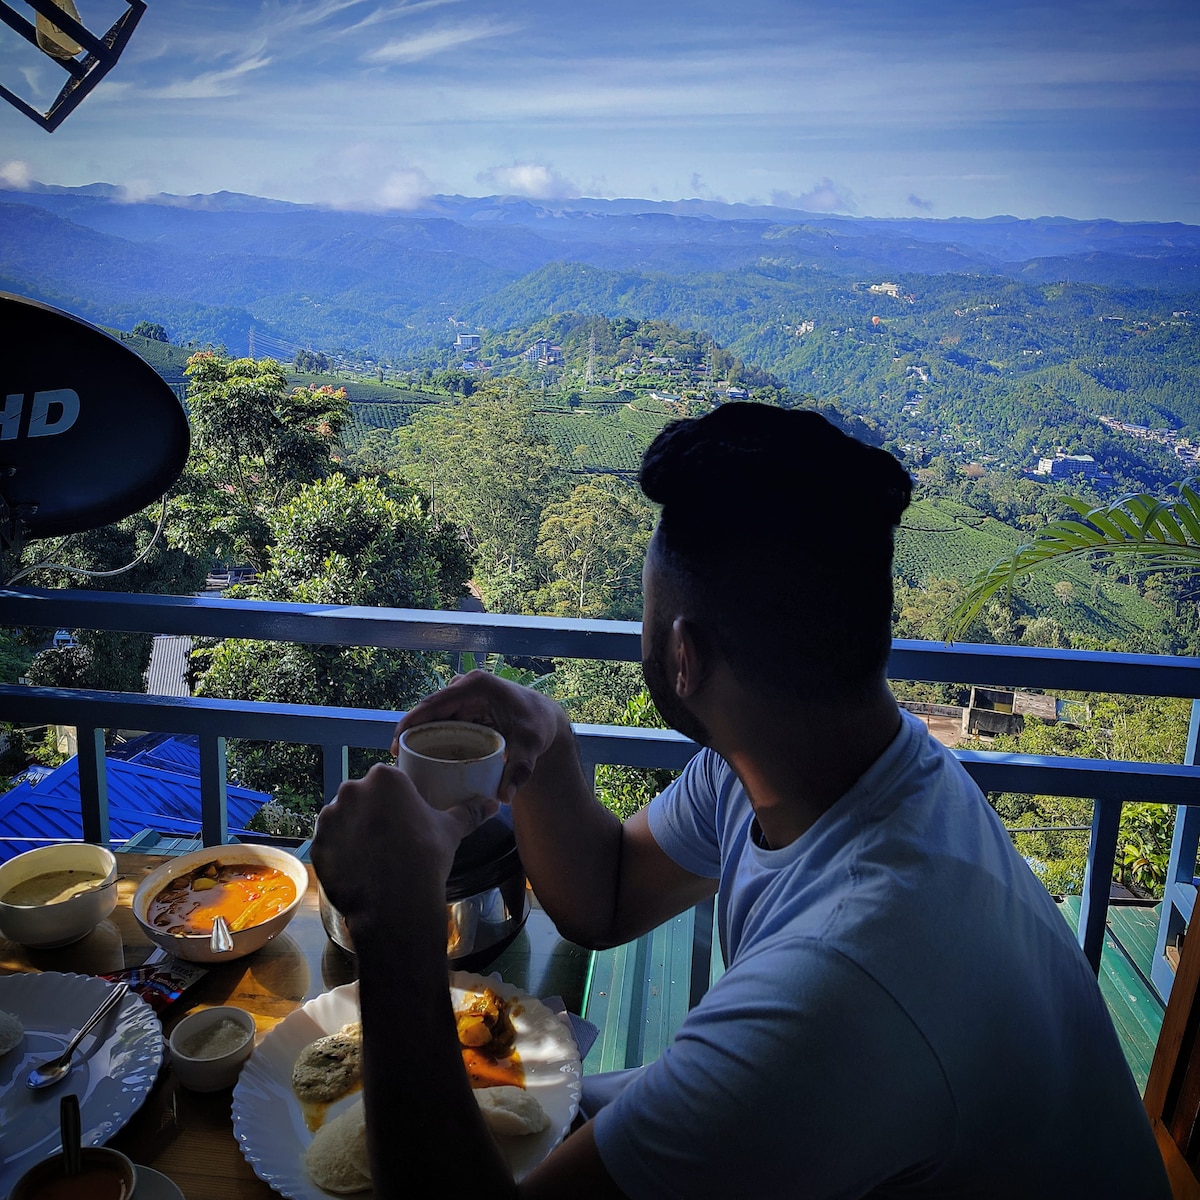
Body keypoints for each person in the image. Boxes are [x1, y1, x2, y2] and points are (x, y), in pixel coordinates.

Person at [312, 403, 1170, 1198]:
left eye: (644, 616)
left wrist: (397, 924)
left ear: (683, 656)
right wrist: (549, 742)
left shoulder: (843, 987)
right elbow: (604, 895)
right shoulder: (815, 758)